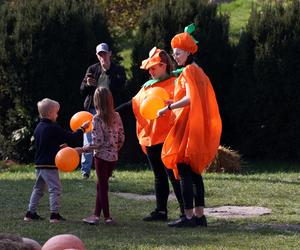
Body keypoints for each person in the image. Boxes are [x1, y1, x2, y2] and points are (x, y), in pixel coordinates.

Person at [158, 28, 222, 227]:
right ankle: (200, 216)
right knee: (194, 172)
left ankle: (188, 217)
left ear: (187, 52)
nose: (174, 57)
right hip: (197, 125)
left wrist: (169, 106)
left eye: (177, 52)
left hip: (187, 125)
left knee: (184, 169)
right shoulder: (199, 71)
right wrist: (173, 100)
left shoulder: (188, 71)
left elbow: (190, 98)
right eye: (174, 52)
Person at [116, 47, 184, 221]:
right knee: (159, 175)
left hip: (169, 136)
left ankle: (186, 212)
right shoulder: (147, 86)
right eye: (149, 68)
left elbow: (184, 104)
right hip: (151, 137)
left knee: (173, 174)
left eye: (154, 68)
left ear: (163, 65)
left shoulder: (177, 82)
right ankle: (161, 211)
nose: (150, 71)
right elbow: (133, 103)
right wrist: (113, 113)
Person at [24, 98, 89, 223]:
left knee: (38, 189)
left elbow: (45, 145)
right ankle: (54, 215)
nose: (57, 115)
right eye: (56, 113)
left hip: (39, 164)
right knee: (55, 189)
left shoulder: (38, 127)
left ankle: (30, 213)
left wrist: (59, 148)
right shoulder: (53, 127)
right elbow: (71, 137)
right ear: (49, 113)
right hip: (50, 164)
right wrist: (82, 129)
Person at [76, 87, 125, 225]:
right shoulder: (117, 115)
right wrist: (115, 149)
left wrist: (82, 150)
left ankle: (107, 217)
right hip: (113, 157)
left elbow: (97, 143)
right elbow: (121, 136)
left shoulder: (96, 119)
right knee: (101, 185)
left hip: (101, 158)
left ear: (96, 101)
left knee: (102, 186)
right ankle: (96, 215)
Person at [80, 43, 126, 179]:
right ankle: (85, 171)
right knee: (88, 139)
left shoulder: (117, 70)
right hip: (93, 109)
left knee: (110, 139)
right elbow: (82, 90)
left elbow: (121, 87)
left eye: (104, 53)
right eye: (100, 54)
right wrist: (87, 84)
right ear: (97, 55)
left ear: (110, 53)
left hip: (110, 110)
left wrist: (108, 71)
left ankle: (109, 170)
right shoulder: (92, 69)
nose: (102, 56)